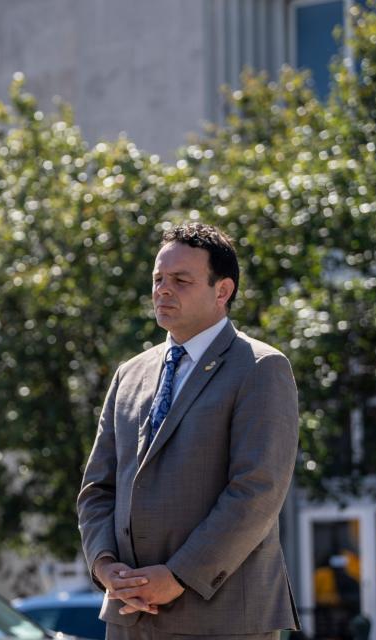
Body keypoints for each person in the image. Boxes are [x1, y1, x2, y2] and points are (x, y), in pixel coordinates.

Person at [77, 222, 300, 639]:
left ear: (223, 291)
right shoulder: (130, 373)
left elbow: (256, 491)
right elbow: (97, 489)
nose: (163, 289)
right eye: (158, 278)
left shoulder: (260, 367)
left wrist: (178, 575)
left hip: (223, 618)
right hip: (129, 616)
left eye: (181, 280)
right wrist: (105, 566)